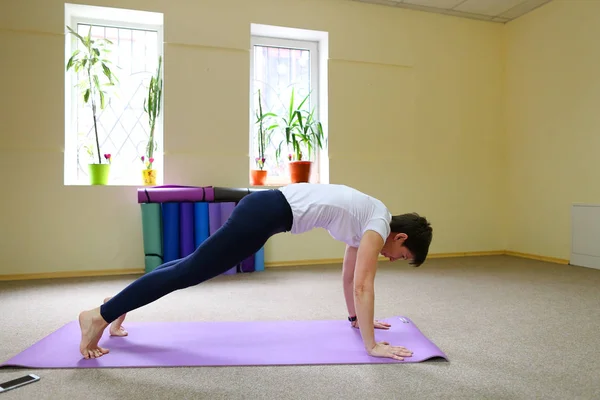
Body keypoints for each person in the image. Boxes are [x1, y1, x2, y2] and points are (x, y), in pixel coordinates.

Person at [78, 183, 433, 361]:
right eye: (401, 255)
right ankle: (98, 315)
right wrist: (372, 345)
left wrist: (357, 321)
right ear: (399, 236)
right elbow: (363, 285)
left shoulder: (371, 217)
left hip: (265, 211)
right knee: (190, 271)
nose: (392, 258)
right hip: (264, 213)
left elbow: (349, 276)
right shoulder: (376, 223)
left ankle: (118, 303)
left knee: (188, 267)